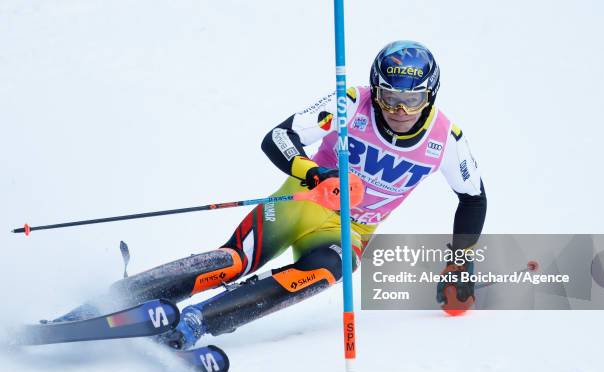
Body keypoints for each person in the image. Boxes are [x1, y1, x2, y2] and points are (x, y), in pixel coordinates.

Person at [60, 40, 487, 349]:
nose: (397, 112)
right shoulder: (350, 100)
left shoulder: (446, 138)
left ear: (429, 96)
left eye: (410, 101)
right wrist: (314, 172)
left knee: (331, 270)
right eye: (389, 99)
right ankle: (116, 298)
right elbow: (277, 138)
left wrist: (459, 261)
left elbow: (473, 199)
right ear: (376, 89)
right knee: (236, 259)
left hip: (350, 228)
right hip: (301, 202)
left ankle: (198, 321)